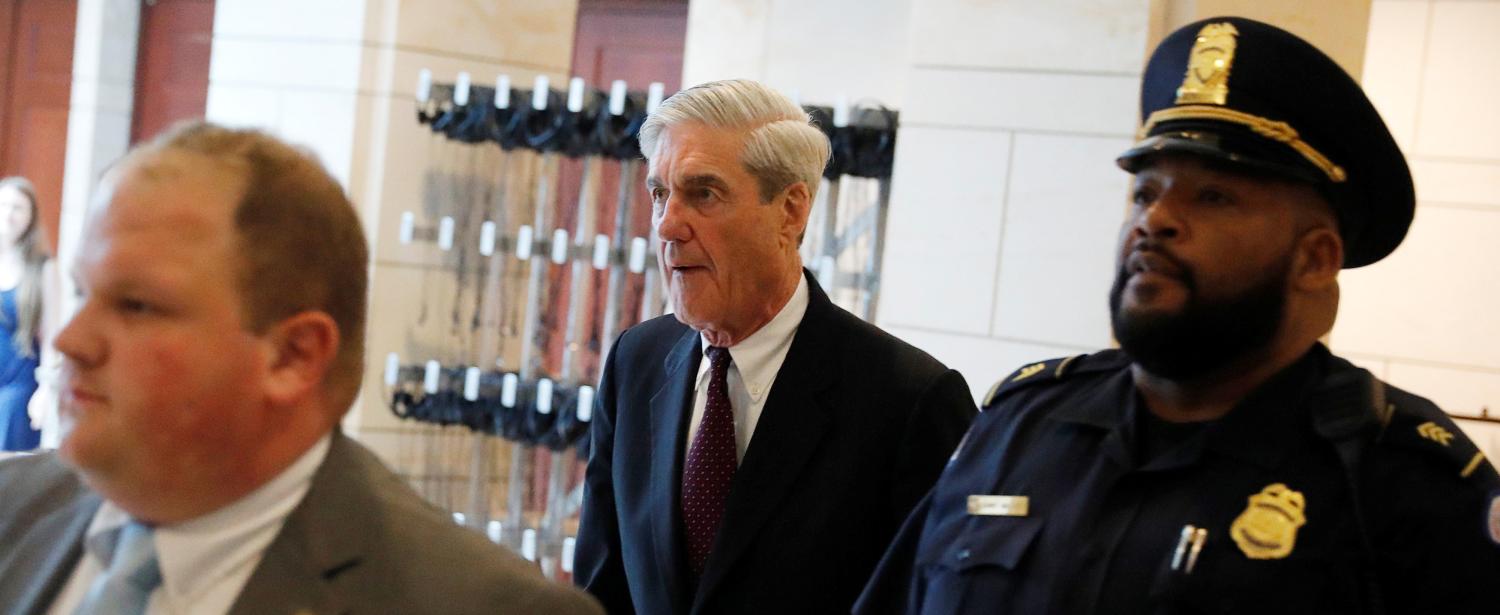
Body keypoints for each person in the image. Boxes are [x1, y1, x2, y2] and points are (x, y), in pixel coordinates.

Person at [856, 16, 1500, 615]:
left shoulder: (1402, 483)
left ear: (1314, 259)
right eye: (1145, 192)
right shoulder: (1018, 427)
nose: (1154, 220)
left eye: (1215, 197)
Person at [0, 122, 602, 615]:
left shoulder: (472, 603)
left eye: (137, 305)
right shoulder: (12, 511)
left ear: (293, 356)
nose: (69, 339)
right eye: (82, 293)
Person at [574, 79, 977, 614]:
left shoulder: (910, 400)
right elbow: (601, 591)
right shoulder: (636, 362)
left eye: (704, 194)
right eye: (659, 193)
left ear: (790, 211)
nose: (668, 225)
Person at [0, 177, 46, 452]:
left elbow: (52, 337)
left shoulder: (42, 268)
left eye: (18, 207)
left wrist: (45, 390)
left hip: (18, 383)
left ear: (30, 217)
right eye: (4, 204)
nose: (9, 213)